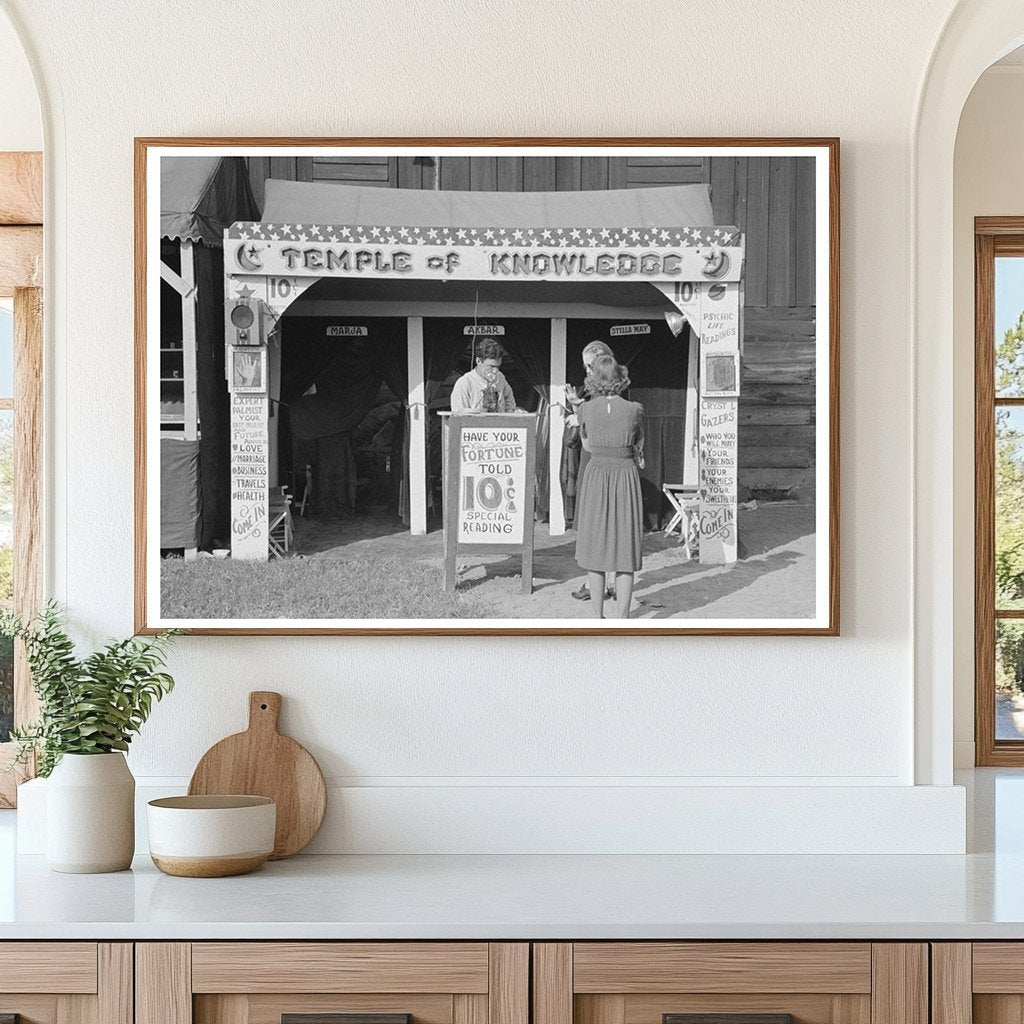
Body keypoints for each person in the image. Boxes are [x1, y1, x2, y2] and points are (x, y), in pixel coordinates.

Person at [573, 356, 645, 619]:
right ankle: (623, 618)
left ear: (594, 381)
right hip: (625, 476)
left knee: (595, 545)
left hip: (596, 476)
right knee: (624, 546)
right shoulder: (635, 409)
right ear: (620, 379)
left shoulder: (585, 410)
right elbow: (638, 445)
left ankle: (597, 617)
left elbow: (588, 447)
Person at [565, 340, 617, 602]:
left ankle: (594, 583)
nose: (585, 371)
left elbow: (594, 434)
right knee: (608, 524)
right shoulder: (611, 393)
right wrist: (577, 406)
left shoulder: (603, 395)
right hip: (610, 465)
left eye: (589, 366)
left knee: (596, 524)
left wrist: (579, 417)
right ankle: (610, 581)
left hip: (597, 463)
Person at [449, 338, 516, 413]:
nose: (495, 370)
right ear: (478, 361)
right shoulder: (464, 383)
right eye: (491, 366)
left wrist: (509, 412)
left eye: (498, 366)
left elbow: (509, 400)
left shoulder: (500, 377)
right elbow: (459, 414)